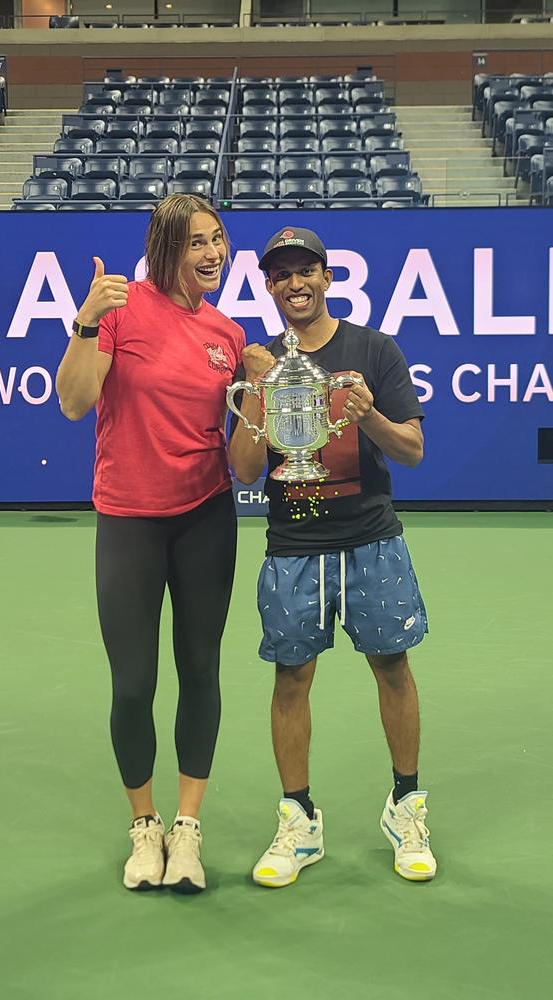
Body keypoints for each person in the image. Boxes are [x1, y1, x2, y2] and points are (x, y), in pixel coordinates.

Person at [228, 226, 437, 888]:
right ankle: (300, 821)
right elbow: (242, 472)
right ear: (268, 285)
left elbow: (411, 450)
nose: (295, 283)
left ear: (328, 276)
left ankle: (406, 805)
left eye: (306, 270)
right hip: (294, 543)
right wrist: (257, 394)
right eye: (281, 273)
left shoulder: (374, 349)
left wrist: (370, 414)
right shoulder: (260, 362)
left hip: (372, 536)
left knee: (392, 666)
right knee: (291, 678)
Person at [56, 194, 245, 894]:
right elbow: (74, 401)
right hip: (129, 518)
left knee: (201, 672)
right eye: (197, 242)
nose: (213, 254)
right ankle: (145, 828)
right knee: (133, 685)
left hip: (206, 517)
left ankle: (187, 831)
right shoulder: (119, 310)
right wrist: (84, 322)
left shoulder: (227, 332)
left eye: (219, 239)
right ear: (166, 246)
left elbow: (237, 437)